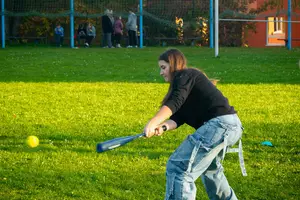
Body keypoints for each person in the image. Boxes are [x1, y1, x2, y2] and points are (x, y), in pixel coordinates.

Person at [144, 48, 244, 200]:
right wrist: (162, 127)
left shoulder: (185, 75)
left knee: (178, 168)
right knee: (211, 171)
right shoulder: (187, 86)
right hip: (230, 126)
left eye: (163, 67)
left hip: (220, 126)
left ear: (173, 64)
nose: (161, 72)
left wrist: (152, 122)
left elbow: (174, 103)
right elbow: (178, 117)